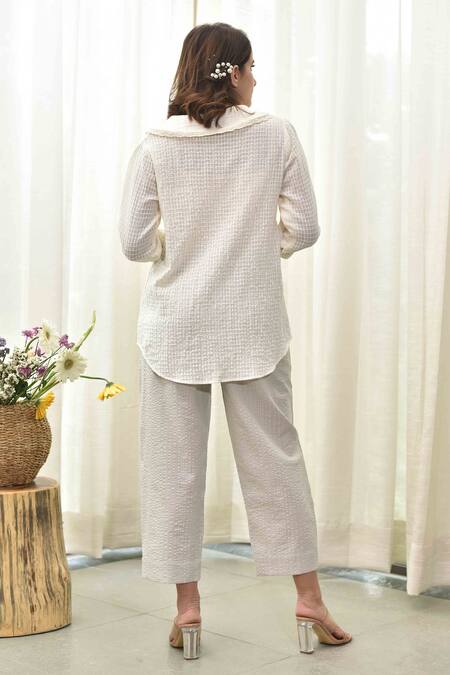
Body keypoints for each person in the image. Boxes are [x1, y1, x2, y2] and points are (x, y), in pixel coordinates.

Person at [118, 21, 351, 659]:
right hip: (254, 326)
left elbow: (134, 243)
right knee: (277, 463)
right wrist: (252, 246)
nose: (256, 78)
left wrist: (183, 246)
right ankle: (309, 599)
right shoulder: (276, 134)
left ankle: (188, 610)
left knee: (174, 469)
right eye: (252, 67)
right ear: (235, 71)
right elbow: (305, 226)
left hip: (174, 329)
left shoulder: (156, 144)